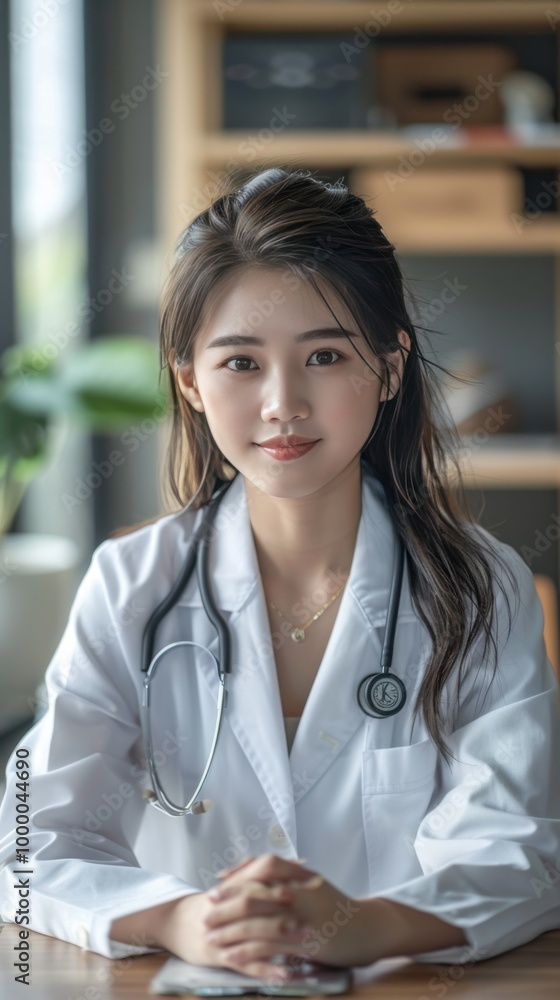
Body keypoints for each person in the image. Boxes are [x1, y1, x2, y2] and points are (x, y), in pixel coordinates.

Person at [1, 166, 559, 984]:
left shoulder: (481, 586)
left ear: (391, 366)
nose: (283, 404)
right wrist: (181, 918)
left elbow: (520, 846)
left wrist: (365, 927)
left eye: (325, 355)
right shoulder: (132, 583)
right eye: (240, 364)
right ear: (189, 381)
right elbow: (26, 838)